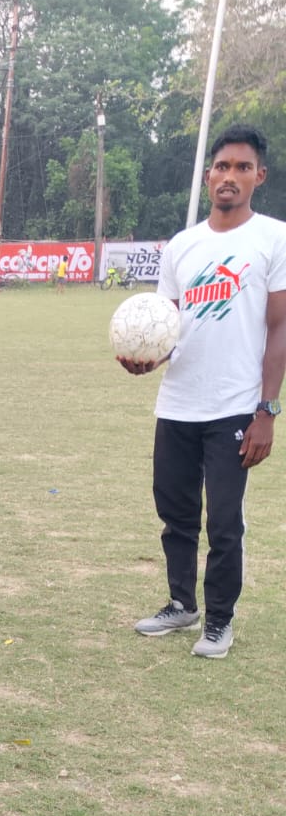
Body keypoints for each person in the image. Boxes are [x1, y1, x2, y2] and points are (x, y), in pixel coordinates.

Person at [123, 124, 286, 659]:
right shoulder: (183, 245)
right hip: (178, 402)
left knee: (224, 521)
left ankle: (219, 620)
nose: (229, 176)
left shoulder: (274, 238)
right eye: (221, 167)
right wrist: (146, 360)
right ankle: (181, 604)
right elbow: (166, 327)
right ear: (209, 176)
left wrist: (267, 410)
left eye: (242, 167)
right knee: (175, 512)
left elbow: (280, 327)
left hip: (235, 405)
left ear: (259, 176)